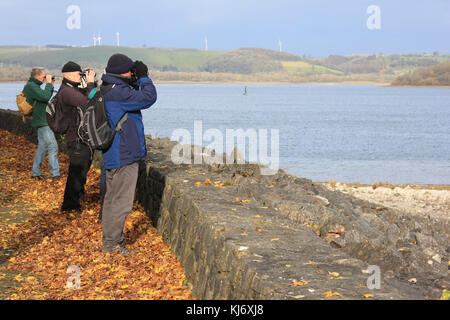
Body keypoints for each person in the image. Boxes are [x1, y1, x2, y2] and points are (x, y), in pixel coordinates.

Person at [101, 54, 157, 255]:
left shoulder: (108, 88)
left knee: (111, 199)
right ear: (122, 72)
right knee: (121, 202)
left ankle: (109, 241)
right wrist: (143, 77)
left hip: (113, 152)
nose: (132, 72)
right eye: (130, 70)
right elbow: (149, 97)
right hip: (123, 153)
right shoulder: (119, 94)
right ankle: (113, 244)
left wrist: (133, 80)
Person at [58, 61, 97, 213]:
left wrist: (91, 82)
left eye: (82, 74)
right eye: (78, 74)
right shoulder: (67, 92)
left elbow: (89, 95)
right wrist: (90, 83)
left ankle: (76, 199)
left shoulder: (70, 89)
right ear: (67, 74)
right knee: (76, 173)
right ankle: (70, 207)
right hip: (76, 139)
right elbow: (88, 103)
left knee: (80, 172)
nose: (80, 76)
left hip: (77, 138)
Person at [23, 67, 60, 179]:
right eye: (44, 76)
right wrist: (48, 84)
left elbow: (44, 96)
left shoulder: (33, 86)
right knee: (53, 146)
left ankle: (35, 173)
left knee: (42, 147)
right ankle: (55, 174)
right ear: (37, 76)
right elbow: (44, 97)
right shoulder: (31, 86)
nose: (45, 78)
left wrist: (51, 85)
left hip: (41, 120)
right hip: (42, 121)